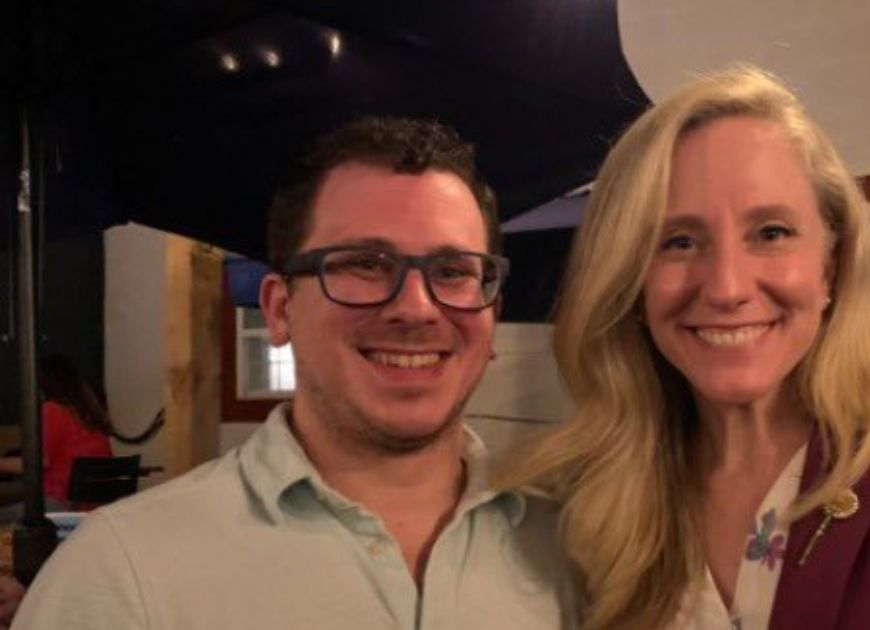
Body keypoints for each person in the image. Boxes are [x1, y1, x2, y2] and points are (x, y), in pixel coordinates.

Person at [494, 66, 870, 629]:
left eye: (771, 233)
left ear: (831, 266)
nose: (727, 287)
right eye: (678, 242)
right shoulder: (579, 505)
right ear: (631, 281)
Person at [13, 117, 574, 629]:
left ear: (491, 314)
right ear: (280, 310)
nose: (417, 308)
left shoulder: (575, 554)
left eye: (452, 271)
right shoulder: (120, 576)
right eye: (366, 263)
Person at [0, 354, 115, 515]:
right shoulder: (90, 413)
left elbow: (38, 463)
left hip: (62, 504)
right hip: (93, 506)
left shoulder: (52, 410)